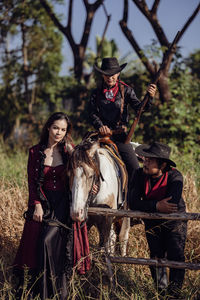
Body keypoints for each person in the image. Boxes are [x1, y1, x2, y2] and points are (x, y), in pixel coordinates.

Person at [13, 112, 75, 300]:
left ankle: (57, 292)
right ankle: (37, 292)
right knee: (35, 244)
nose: (59, 133)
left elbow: (82, 174)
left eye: (63, 130)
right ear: (48, 127)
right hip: (42, 200)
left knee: (48, 240)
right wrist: (37, 205)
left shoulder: (69, 151)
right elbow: (32, 183)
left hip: (62, 204)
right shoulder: (34, 151)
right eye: (56, 127)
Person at [128, 142, 187, 298]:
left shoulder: (175, 176)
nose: (145, 162)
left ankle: (174, 294)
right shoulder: (139, 174)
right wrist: (156, 205)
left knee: (176, 256)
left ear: (162, 164)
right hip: (152, 221)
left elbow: (172, 204)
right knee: (156, 256)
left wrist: (147, 206)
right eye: (145, 159)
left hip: (175, 222)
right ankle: (160, 293)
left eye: (150, 160)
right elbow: (132, 202)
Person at [89, 57, 157, 180]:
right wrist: (100, 126)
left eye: (113, 74)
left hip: (120, 137)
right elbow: (92, 113)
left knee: (135, 170)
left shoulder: (126, 90)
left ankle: (134, 197)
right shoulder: (95, 93)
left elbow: (140, 108)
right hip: (101, 135)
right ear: (102, 75)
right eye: (106, 74)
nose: (110, 77)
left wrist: (150, 97)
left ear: (118, 73)